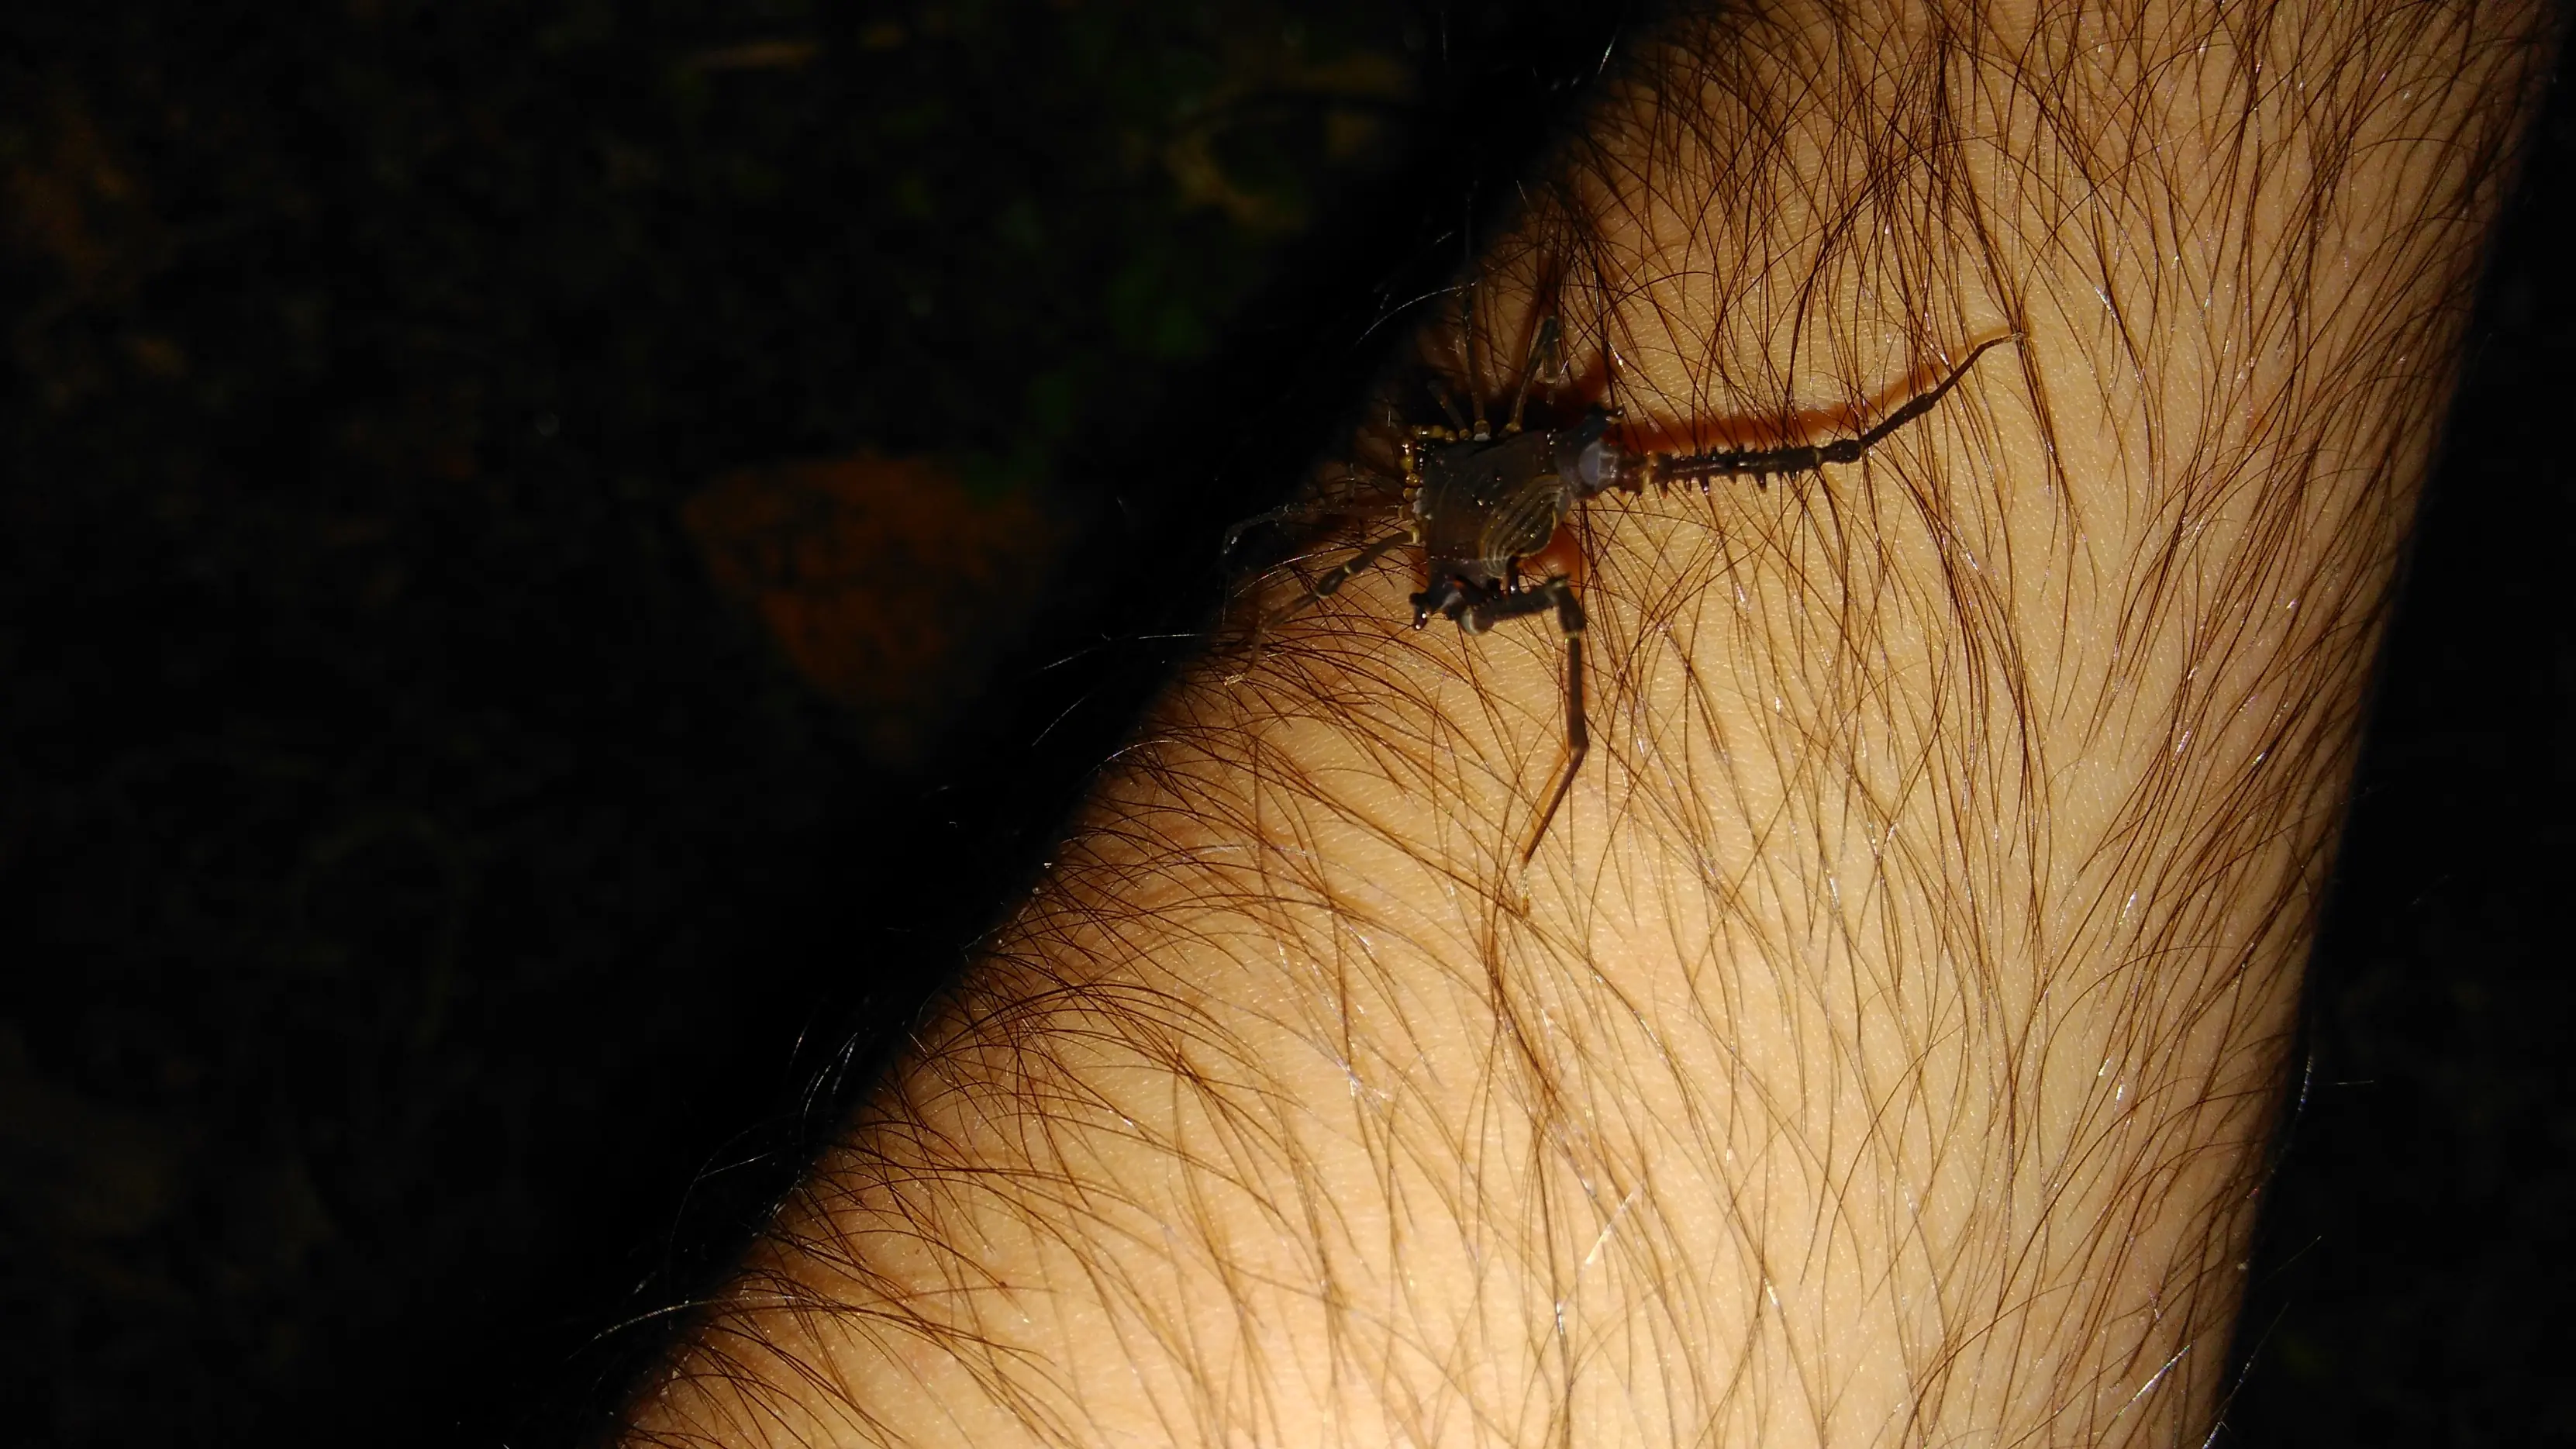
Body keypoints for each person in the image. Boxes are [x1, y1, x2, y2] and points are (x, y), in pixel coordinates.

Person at [619, 2, 2557, 1444]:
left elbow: (1518, 453)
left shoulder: (1521, 473)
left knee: (1583, 469)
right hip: (1494, 502)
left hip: (1492, 494)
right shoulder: (1531, 489)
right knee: (1562, 485)